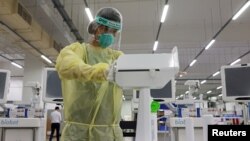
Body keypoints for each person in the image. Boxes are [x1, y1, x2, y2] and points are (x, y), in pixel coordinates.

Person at [55, 7, 124, 141]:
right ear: (100, 29)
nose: (114, 37)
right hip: (78, 134)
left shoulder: (117, 57)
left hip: (109, 134)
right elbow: (67, 65)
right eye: (113, 32)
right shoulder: (77, 50)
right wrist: (99, 72)